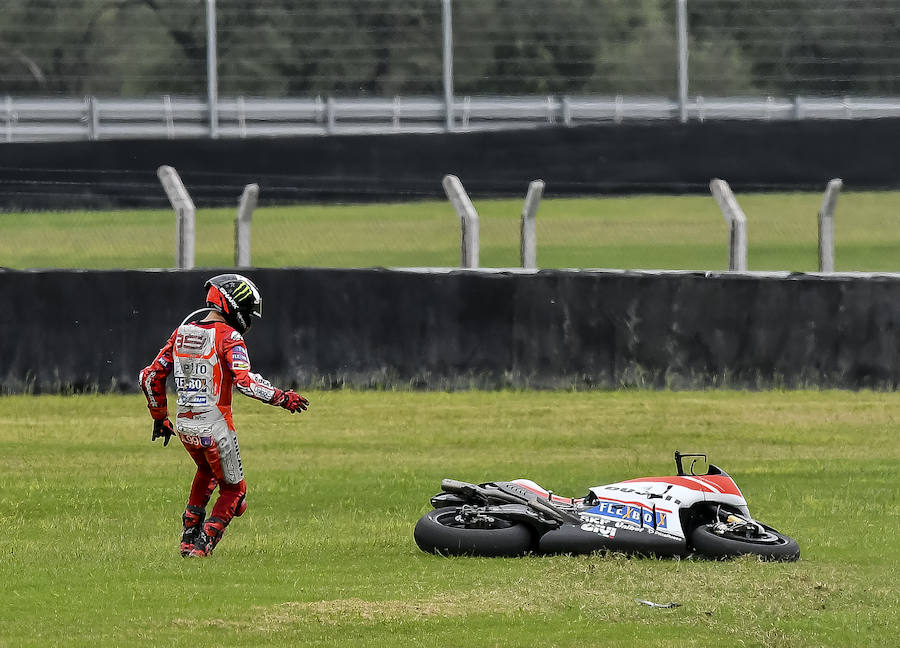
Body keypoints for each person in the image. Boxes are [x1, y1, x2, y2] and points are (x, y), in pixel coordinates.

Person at [139, 274, 309, 557]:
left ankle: (187, 539)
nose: (248, 318)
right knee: (235, 493)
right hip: (216, 427)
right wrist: (283, 398)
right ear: (233, 303)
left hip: (184, 426)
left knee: (207, 472)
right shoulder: (229, 337)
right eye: (246, 309)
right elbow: (246, 383)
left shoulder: (181, 332)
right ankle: (201, 547)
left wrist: (160, 416)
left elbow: (150, 376)